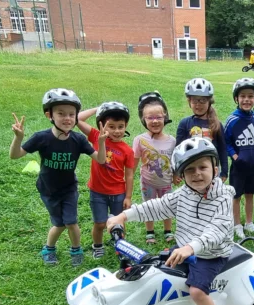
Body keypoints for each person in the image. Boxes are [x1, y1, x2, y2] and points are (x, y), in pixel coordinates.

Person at [106, 138, 235, 305]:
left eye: (203, 167)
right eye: (190, 170)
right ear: (180, 176)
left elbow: (218, 230)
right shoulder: (183, 194)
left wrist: (191, 247)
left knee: (196, 291)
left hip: (211, 254)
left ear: (215, 169)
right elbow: (156, 206)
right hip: (184, 246)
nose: (197, 174)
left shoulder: (223, 197)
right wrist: (124, 216)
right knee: (156, 274)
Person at [9, 88, 106, 265]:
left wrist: (101, 142)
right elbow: (15, 155)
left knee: (71, 222)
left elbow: (100, 160)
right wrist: (18, 138)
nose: (67, 118)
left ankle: (76, 250)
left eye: (71, 114)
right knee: (59, 224)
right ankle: (49, 248)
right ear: (49, 115)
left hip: (69, 189)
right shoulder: (41, 138)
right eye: (61, 114)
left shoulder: (78, 140)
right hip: (48, 190)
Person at [77, 102, 137, 259]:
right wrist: (98, 109)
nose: (117, 131)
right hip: (98, 192)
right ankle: (97, 246)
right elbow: (77, 119)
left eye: (121, 126)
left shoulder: (128, 150)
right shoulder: (96, 136)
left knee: (118, 222)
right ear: (102, 125)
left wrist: (128, 197)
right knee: (100, 223)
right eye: (111, 126)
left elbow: (129, 174)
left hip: (118, 193)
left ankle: (119, 244)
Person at [223, 77, 254, 239]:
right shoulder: (232, 120)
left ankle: (249, 223)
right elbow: (226, 141)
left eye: (250, 96)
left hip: (253, 165)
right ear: (236, 98)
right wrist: (235, 156)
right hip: (238, 166)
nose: (246, 99)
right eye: (242, 96)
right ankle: (237, 224)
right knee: (236, 196)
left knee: (250, 194)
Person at [134, 91, 176, 244]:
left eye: (159, 117)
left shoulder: (172, 140)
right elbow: (134, 161)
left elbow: (174, 160)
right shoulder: (139, 140)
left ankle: (167, 231)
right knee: (148, 206)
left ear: (165, 117)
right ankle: (150, 231)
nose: (155, 121)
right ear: (143, 119)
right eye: (150, 118)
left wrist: (177, 174)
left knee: (167, 206)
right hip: (148, 182)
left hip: (166, 182)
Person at [176, 77, 229, 182]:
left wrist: (224, 171)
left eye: (203, 100)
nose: (198, 104)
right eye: (195, 100)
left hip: (212, 172)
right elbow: (178, 149)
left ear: (209, 102)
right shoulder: (184, 123)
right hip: (191, 171)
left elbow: (223, 149)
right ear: (189, 101)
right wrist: (177, 171)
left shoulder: (217, 124)